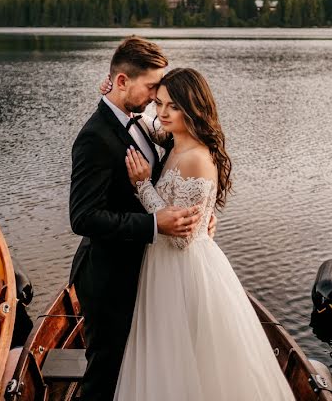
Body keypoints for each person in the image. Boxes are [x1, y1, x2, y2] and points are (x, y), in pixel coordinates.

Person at [113, 67, 296, 401]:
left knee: (185, 353)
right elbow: (144, 123)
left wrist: (142, 185)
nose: (163, 113)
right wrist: (116, 97)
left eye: (173, 107)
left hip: (181, 269)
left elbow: (181, 237)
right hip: (162, 264)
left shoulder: (197, 158)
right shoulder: (174, 141)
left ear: (193, 108)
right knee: (166, 351)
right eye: (160, 103)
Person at [69, 36, 212, 401]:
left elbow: (178, 169)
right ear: (121, 82)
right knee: (105, 374)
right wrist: (154, 224)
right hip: (108, 277)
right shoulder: (94, 138)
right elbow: (83, 217)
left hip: (146, 270)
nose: (155, 97)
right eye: (151, 87)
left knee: (136, 370)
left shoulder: (137, 122)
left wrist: (203, 214)